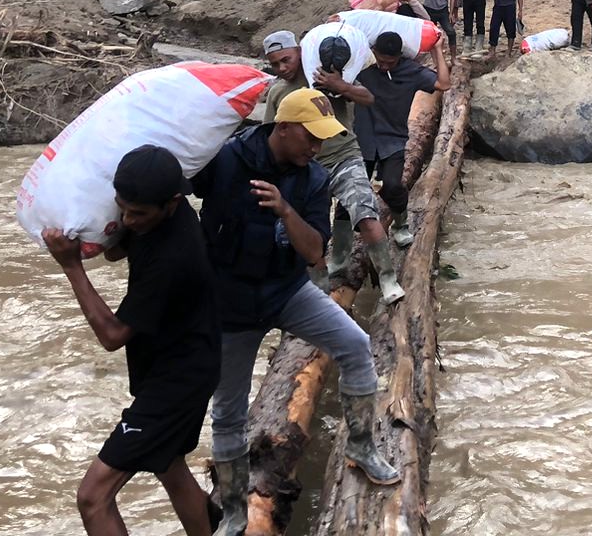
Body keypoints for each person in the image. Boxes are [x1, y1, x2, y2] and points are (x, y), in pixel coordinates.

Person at [193, 89, 400, 534]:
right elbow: (176, 186)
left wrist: (286, 211)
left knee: (356, 345)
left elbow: (312, 252)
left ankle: (361, 446)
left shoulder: (314, 179)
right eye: (310, 137)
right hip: (229, 303)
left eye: (323, 139)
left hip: (285, 291)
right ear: (283, 127)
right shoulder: (226, 159)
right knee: (227, 411)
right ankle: (234, 510)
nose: (317, 147)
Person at [41, 145, 219, 536]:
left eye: (138, 213)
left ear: (172, 203)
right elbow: (116, 252)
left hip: (177, 382)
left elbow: (112, 335)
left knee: (93, 497)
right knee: (169, 464)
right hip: (184, 363)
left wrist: (71, 266)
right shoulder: (160, 214)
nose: (128, 220)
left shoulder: (173, 258)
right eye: (122, 209)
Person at [258, 30, 404, 305]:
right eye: (275, 64)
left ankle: (388, 278)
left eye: (286, 60)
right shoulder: (278, 91)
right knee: (311, 231)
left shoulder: (326, 74)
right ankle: (322, 290)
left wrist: (340, 86)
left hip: (344, 157)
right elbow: (269, 135)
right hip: (306, 168)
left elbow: (367, 98)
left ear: (300, 52)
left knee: (365, 214)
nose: (282, 68)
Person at [355, 32, 450, 250]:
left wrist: (437, 50)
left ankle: (400, 224)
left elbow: (444, 83)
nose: (384, 66)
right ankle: (340, 255)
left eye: (390, 62)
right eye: (380, 60)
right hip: (362, 139)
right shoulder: (362, 69)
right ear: (373, 53)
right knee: (349, 194)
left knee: (392, 185)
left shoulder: (411, 71)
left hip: (393, 139)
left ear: (399, 56)